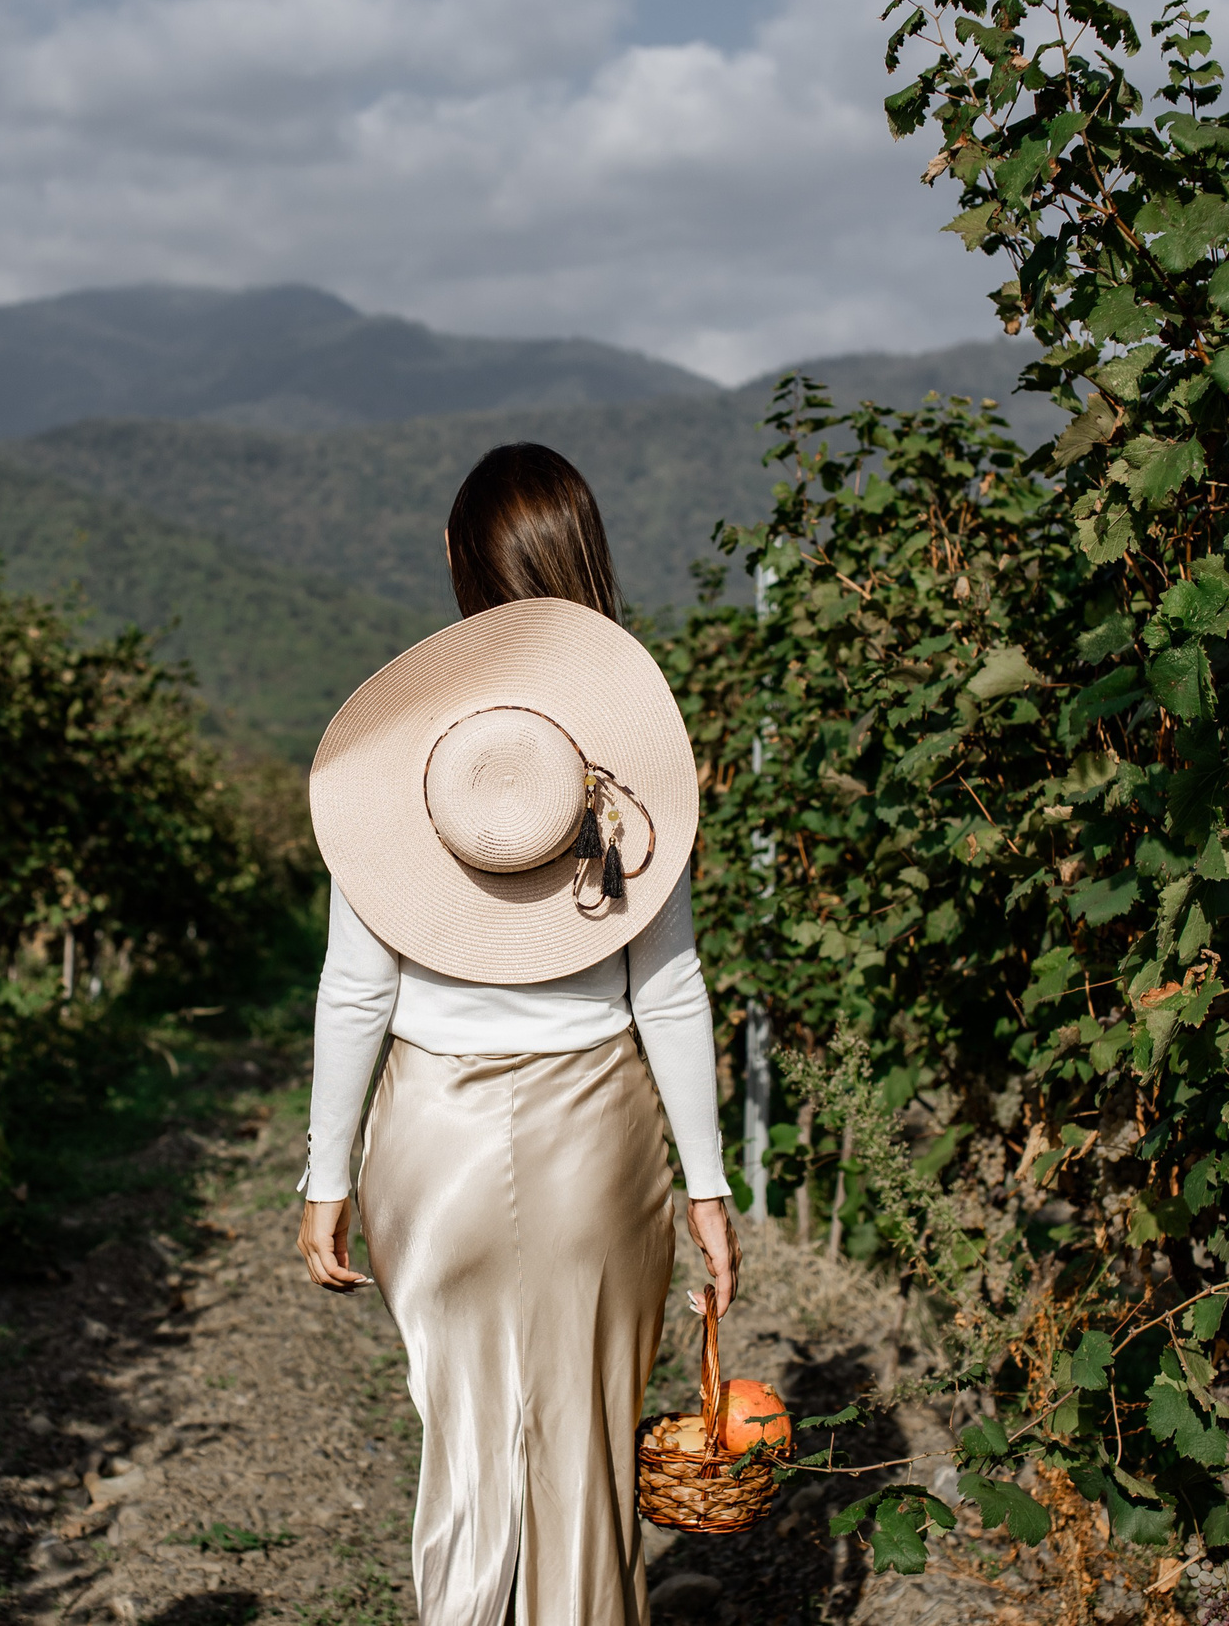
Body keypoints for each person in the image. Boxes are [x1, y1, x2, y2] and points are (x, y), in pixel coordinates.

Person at [294, 441, 739, 1626]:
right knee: (585, 1454)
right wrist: (706, 1186)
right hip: (597, 1134)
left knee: (468, 1440)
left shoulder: (404, 754)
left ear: (456, 563)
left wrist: (325, 1172)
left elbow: (356, 987)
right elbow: (671, 986)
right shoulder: (627, 755)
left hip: (430, 1141)